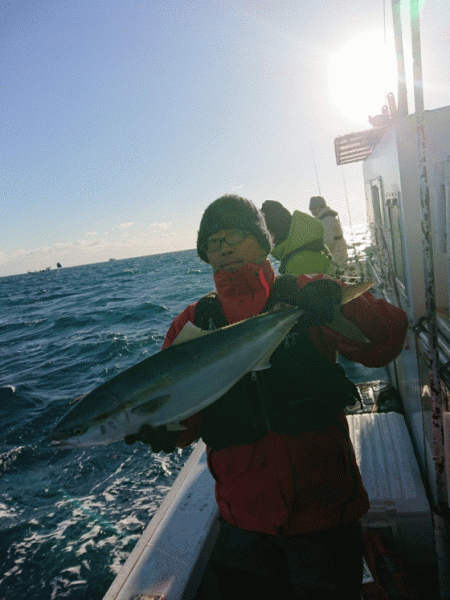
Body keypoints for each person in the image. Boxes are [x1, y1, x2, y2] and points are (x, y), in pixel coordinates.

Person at [125, 194, 408, 599]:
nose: (222, 247)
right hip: (244, 522)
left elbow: (388, 339)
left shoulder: (305, 292)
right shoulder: (193, 323)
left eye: (234, 235)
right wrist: (162, 430)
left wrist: (338, 307)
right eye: (212, 241)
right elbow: (186, 420)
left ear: (263, 241)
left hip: (325, 511)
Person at [261, 200, 336, 276]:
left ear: (278, 231)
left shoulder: (298, 264)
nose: (267, 239)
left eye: (268, 233)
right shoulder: (311, 243)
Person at [309, 196, 349, 274]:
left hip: (337, 257)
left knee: (338, 277)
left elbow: (327, 242)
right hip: (338, 254)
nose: (312, 212)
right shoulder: (326, 218)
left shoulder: (326, 220)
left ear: (319, 207)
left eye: (313, 209)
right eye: (311, 210)